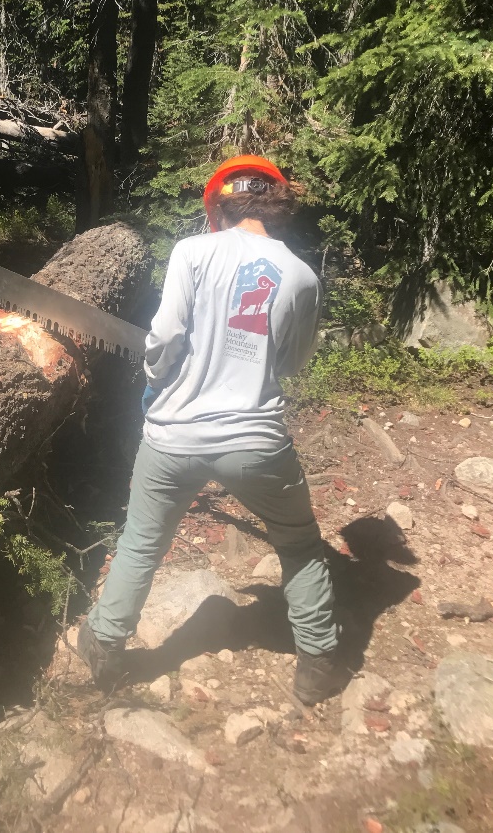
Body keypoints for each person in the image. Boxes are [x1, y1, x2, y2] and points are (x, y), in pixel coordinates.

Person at [77, 155, 347, 705]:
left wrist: (158, 379)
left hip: (172, 436)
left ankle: (104, 646)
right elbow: (292, 365)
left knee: (141, 542)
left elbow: (165, 334)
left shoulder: (193, 251)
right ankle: (318, 664)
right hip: (256, 438)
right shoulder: (301, 274)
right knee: (297, 542)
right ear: (277, 205)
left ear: (218, 206)